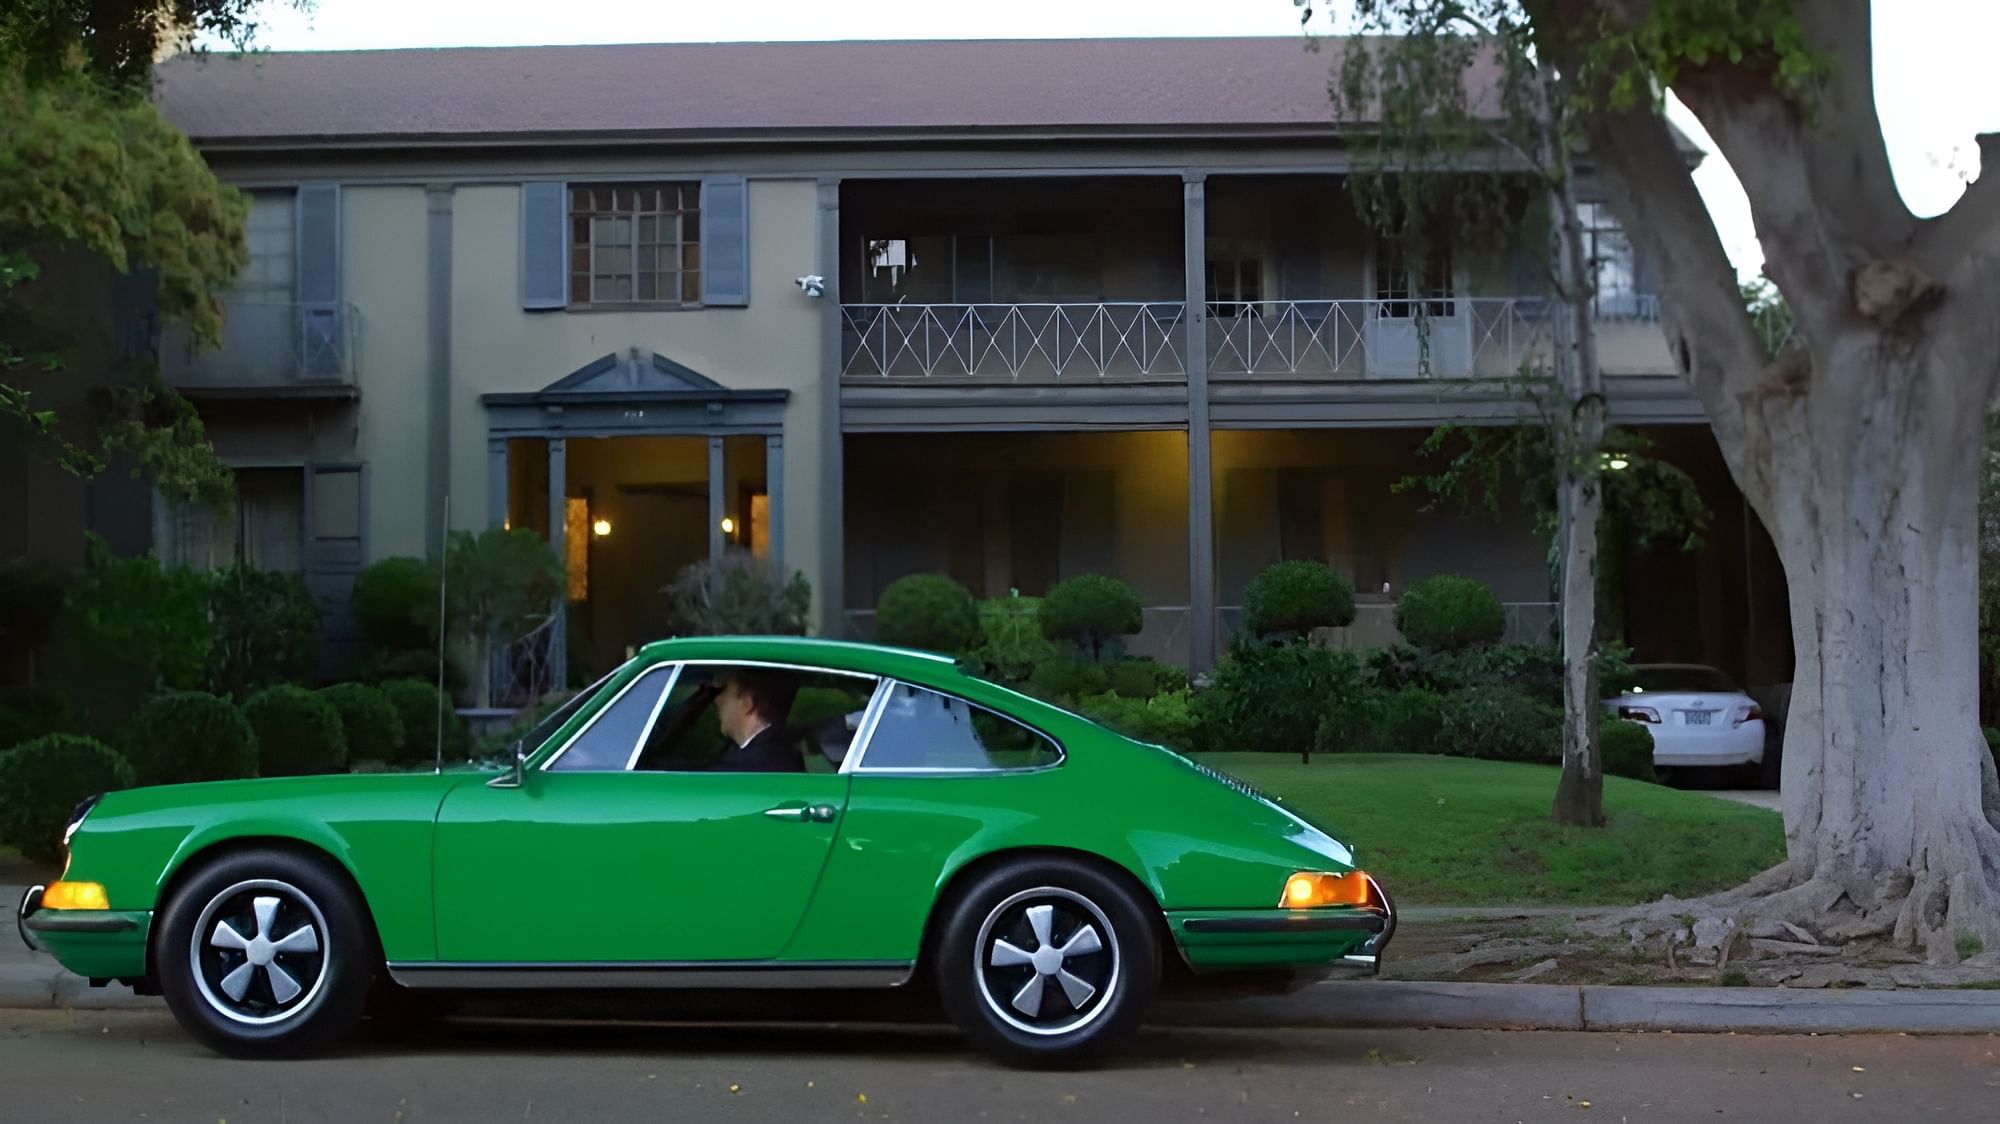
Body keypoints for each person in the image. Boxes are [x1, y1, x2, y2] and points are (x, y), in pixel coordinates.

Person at [710, 668, 803, 773]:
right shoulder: (784, 752)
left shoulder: (739, 767)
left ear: (747, 703)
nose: (716, 700)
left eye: (724, 690)